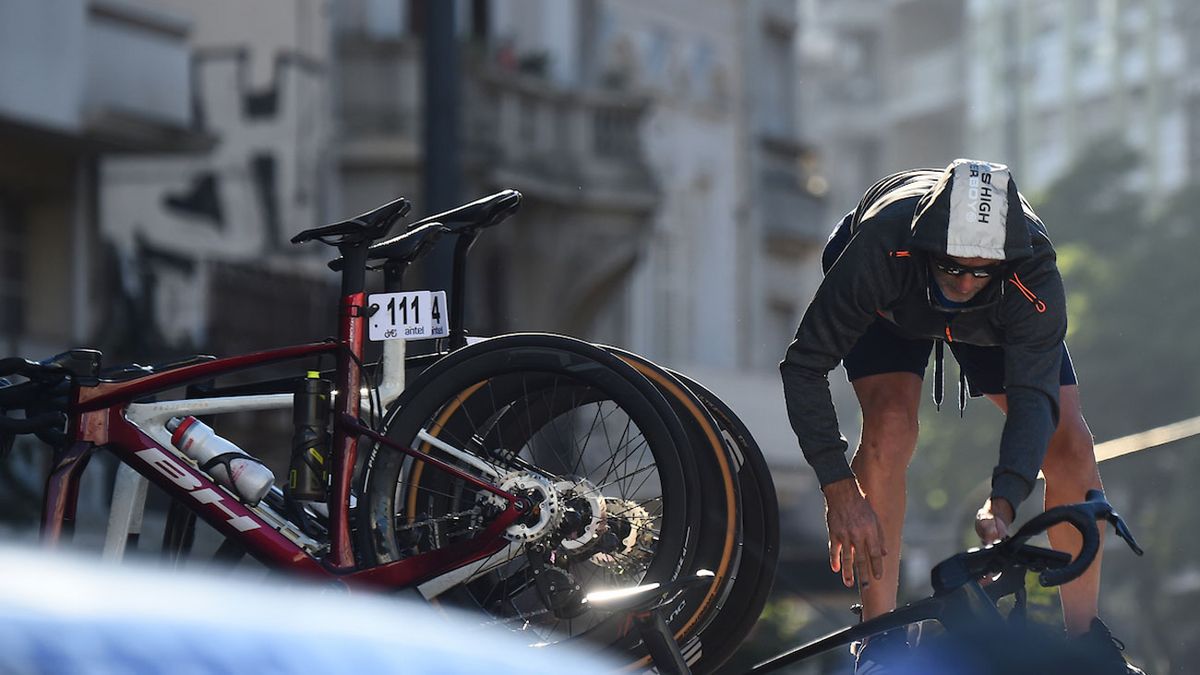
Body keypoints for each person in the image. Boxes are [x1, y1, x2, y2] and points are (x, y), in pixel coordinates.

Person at [779, 159, 1144, 674]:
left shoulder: (1031, 270)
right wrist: (838, 488)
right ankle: (879, 643)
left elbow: (1035, 402)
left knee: (1070, 442)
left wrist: (1004, 499)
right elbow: (804, 366)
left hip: (992, 321)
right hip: (894, 302)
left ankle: (1086, 645)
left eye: (980, 271)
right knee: (890, 427)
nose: (966, 283)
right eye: (953, 268)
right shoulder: (881, 248)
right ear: (931, 246)